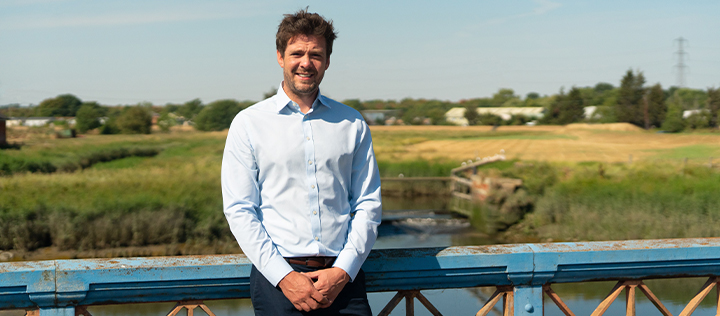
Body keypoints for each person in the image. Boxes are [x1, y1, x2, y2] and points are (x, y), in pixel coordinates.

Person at [221, 9, 382, 316]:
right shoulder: (248, 123)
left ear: (328, 61)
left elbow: (368, 205)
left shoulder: (352, 123)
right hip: (279, 282)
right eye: (297, 53)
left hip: (343, 280)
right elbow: (240, 209)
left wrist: (343, 271)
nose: (306, 63)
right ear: (280, 57)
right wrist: (285, 277)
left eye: (316, 54)